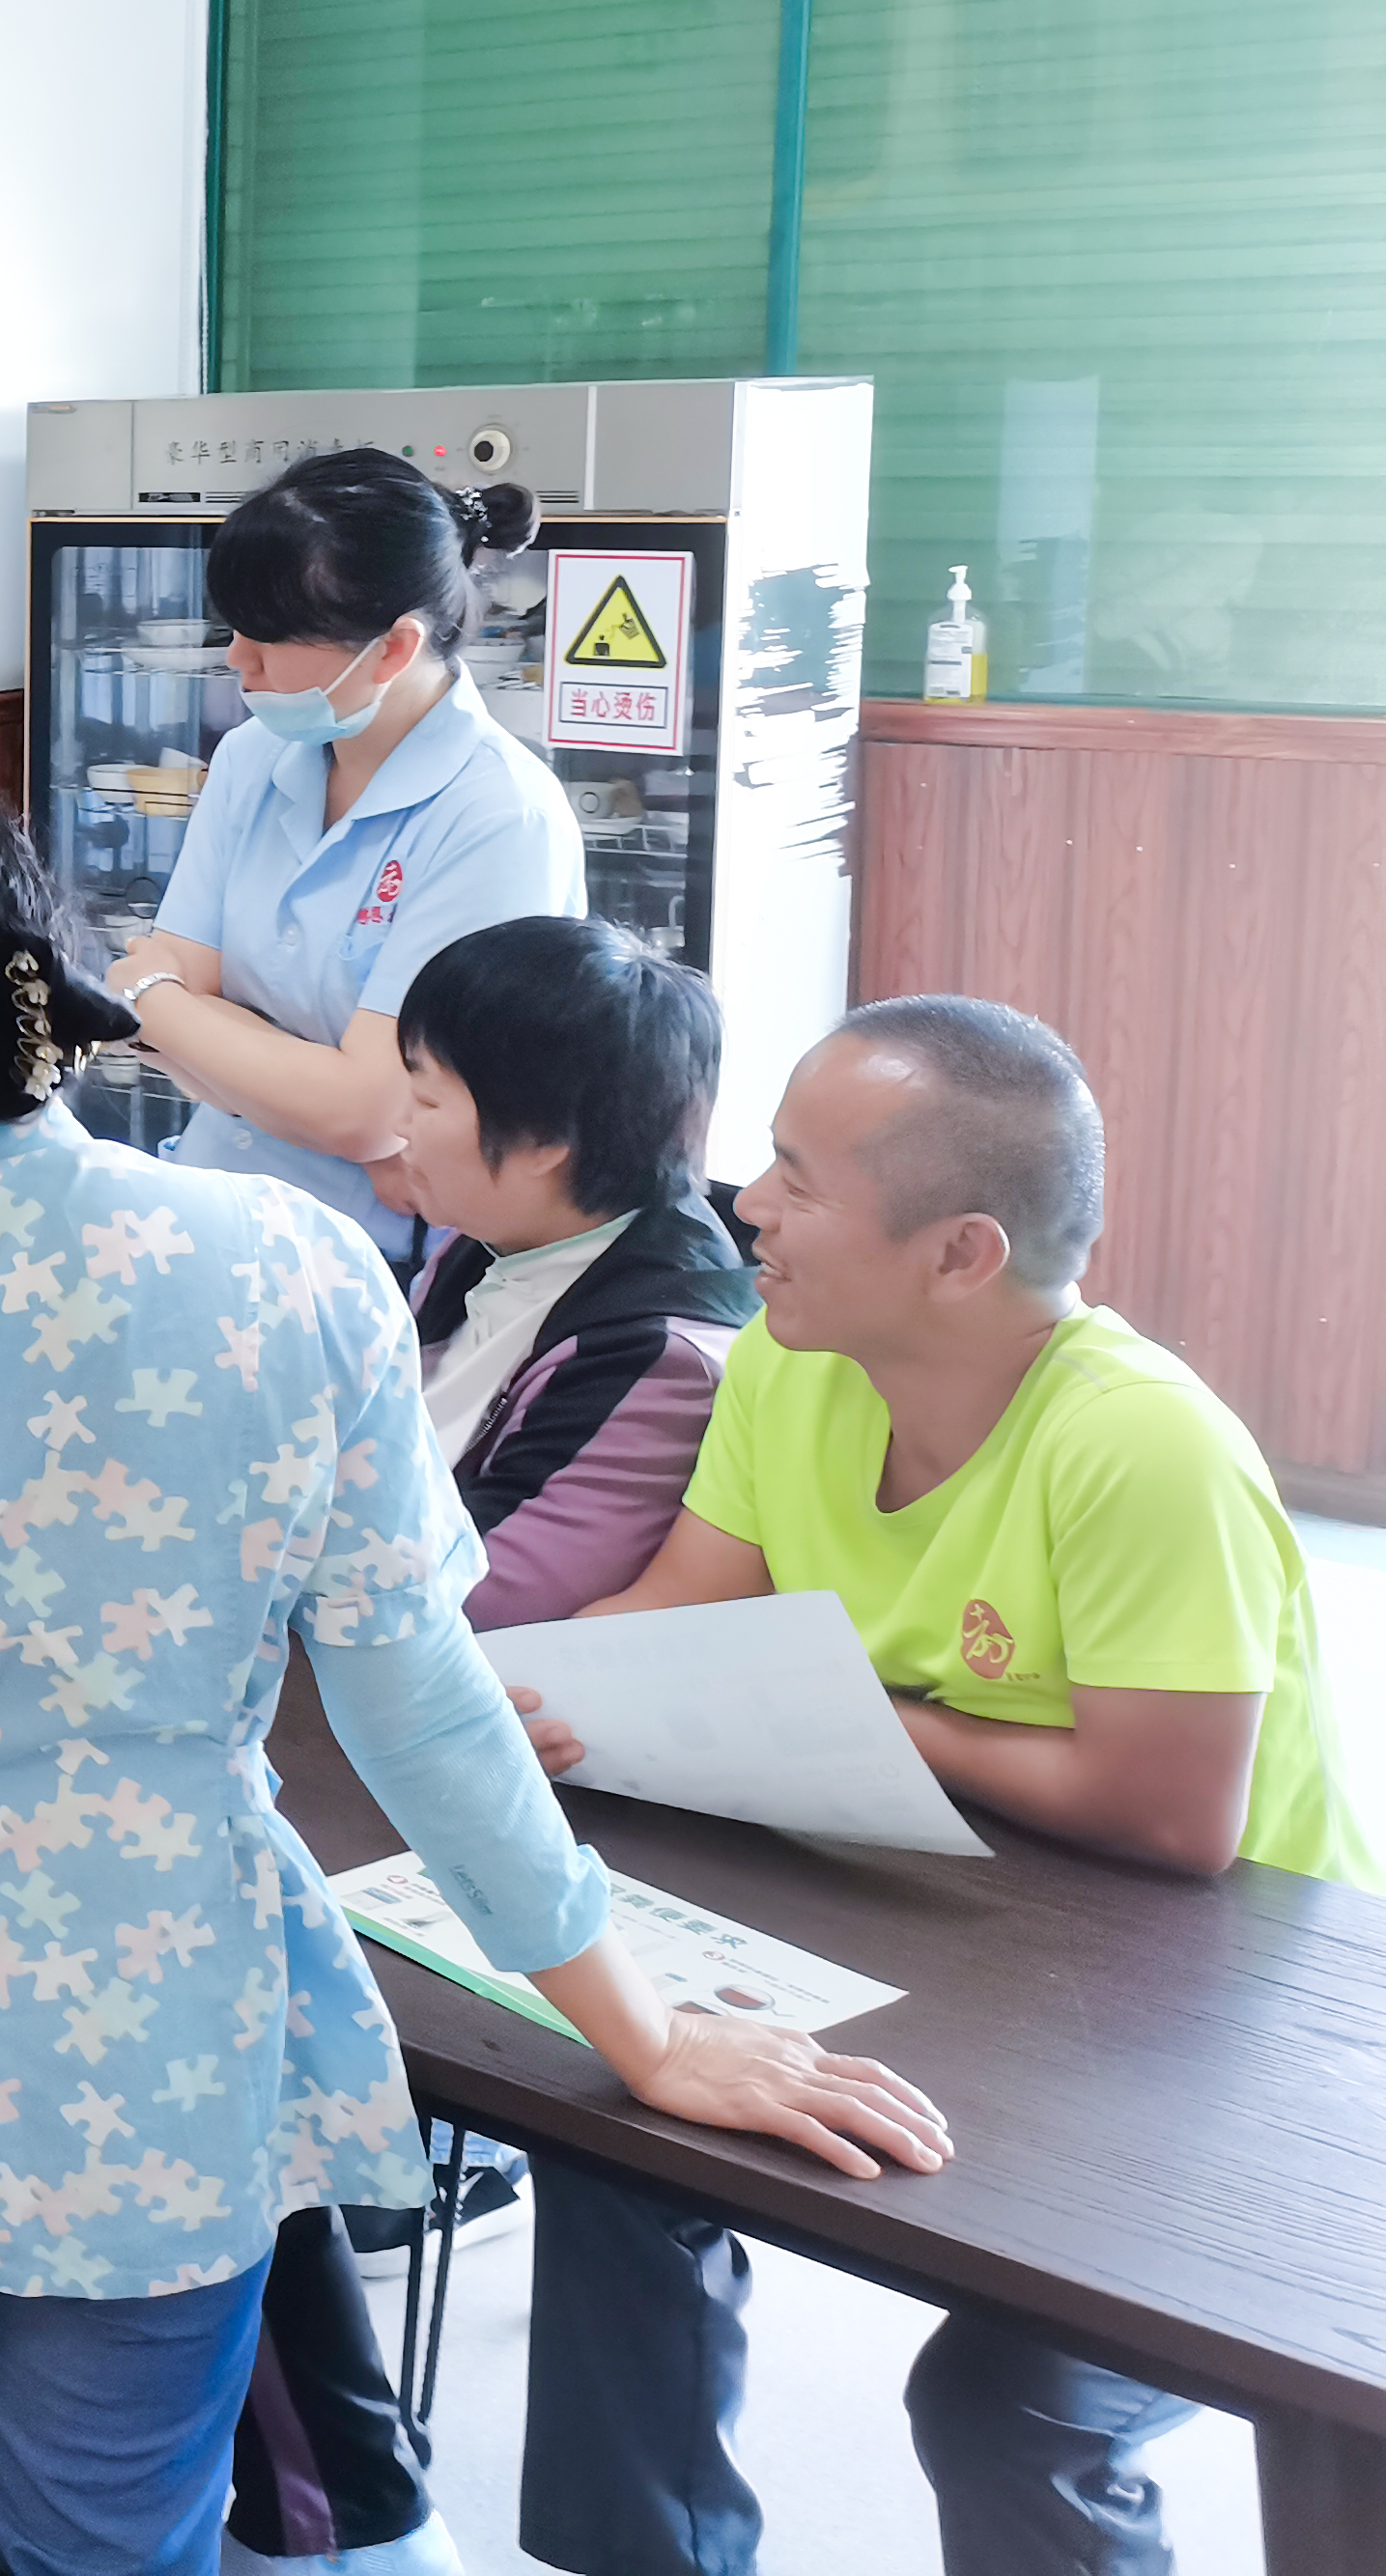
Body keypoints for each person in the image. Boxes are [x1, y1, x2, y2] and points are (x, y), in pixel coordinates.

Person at [0, 781, 948, 2576]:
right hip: (152, 2055)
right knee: (107, 2538)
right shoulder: (291, 1270)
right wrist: (638, 2030)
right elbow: (420, 1701)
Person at [510, 996, 1372, 2576]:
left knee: (1008, 2405)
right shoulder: (789, 1368)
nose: (746, 1207)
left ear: (961, 1254)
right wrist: (531, 1697)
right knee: (608, 2143)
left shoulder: (1143, 1446)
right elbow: (679, 1611)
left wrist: (864, 1710)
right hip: (922, 1900)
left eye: (798, 1176)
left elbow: (1169, 1816)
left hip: (1208, 2011)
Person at [226, 915, 756, 2574]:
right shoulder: (482, 1247)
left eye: (427, 1092)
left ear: (545, 1141)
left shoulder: (662, 1332)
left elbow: (473, 1601)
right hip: (406, 1747)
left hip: (559, 1784)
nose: (392, 1123)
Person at [104, 449, 582, 1261]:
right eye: (234, 626)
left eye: (269, 635)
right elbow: (180, 1016)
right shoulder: (253, 755)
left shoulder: (500, 814)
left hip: (378, 1262)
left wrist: (157, 1000)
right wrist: (314, 1090)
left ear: (393, 649)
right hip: (209, 1208)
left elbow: (367, 1111)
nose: (237, 658)